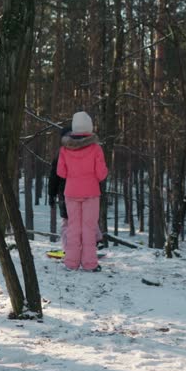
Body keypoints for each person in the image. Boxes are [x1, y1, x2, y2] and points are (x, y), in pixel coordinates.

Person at [57, 111, 108, 272]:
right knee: (89, 228)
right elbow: (101, 174)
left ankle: (71, 263)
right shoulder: (96, 148)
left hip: (71, 192)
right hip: (91, 193)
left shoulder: (65, 149)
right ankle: (90, 264)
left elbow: (61, 172)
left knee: (73, 228)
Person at [49, 126, 103, 252]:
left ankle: (70, 249)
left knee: (69, 222)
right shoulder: (90, 149)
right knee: (87, 220)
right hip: (84, 192)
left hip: (66, 193)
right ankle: (93, 242)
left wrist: (51, 194)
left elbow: (54, 176)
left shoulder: (62, 152)